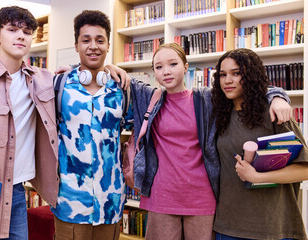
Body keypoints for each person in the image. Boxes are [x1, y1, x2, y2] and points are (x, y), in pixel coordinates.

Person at [0, 6, 128, 240]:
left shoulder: (41, 80)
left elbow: (80, 76)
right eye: (12, 29)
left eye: (26, 31)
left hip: (17, 194)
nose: (20, 36)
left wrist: (110, 69)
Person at [129, 43, 292, 240]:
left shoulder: (207, 99)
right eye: (159, 67)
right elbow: (124, 81)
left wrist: (278, 97)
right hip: (161, 194)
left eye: (173, 64)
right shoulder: (151, 98)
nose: (166, 72)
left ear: (186, 66)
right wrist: (111, 69)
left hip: (202, 195)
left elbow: (251, 87)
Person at [50, 10, 133, 240]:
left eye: (99, 40)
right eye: (86, 40)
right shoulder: (59, 85)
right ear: (76, 45)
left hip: (111, 201)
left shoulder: (122, 88)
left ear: (108, 44)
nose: (93, 46)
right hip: (69, 202)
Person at [211, 48, 308, 240]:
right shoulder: (218, 116)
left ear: (252, 76)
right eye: (222, 75)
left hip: (273, 226)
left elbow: (304, 170)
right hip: (228, 226)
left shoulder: (274, 113)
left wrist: (256, 176)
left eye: (236, 73)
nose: (227, 80)